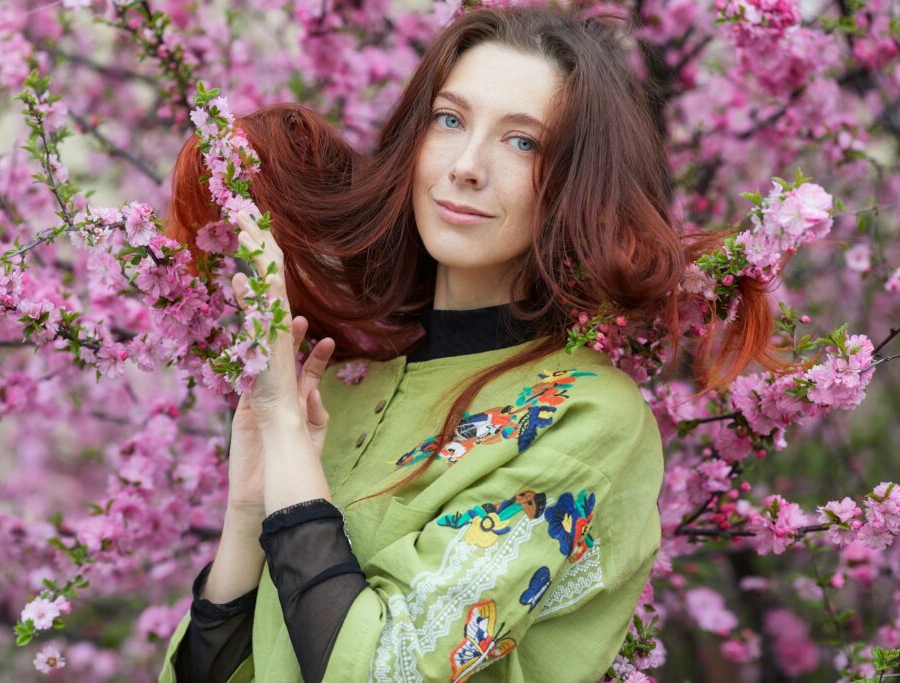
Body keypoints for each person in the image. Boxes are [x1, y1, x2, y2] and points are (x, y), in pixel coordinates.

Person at [159, 6, 775, 682]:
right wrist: (251, 507)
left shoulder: (585, 416)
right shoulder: (345, 378)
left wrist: (282, 423)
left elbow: (380, 671)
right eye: (449, 120)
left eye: (523, 143)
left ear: (578, 184)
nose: (467, 166)